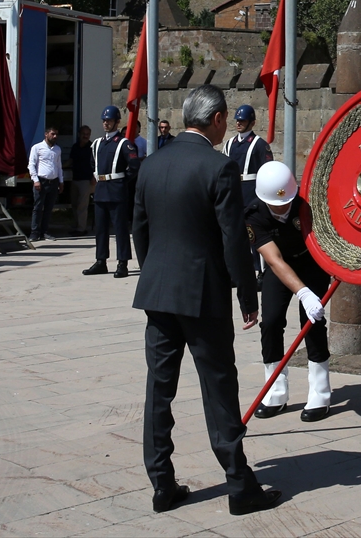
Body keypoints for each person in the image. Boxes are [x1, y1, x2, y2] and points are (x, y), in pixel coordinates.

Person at [132, 84, 282, 516]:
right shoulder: (219, 167)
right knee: (219, 389)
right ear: (217, 119)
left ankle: (161, 484)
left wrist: (158, 273)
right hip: (203, 297)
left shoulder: (151, 163)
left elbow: (139, 230)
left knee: (159, 391)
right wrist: (247, 295)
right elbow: (233, 239)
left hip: (159, 294)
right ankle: (239, 484)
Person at [245, 161, 332, 423]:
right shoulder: (253, 215)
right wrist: (303, 293)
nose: (282, 207)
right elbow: (274, 260)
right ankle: (275, 392)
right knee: (270, 322)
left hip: (312, 262)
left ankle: (320, 394)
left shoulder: (306, 204)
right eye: (276, 204)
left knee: (312, 322)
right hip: (281, 265)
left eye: (286, 202)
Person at [84, 105, 138, 278]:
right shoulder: (98, 143)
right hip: (101, 190)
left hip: (116, 190)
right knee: (100, 228)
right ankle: (101, 261)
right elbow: (93, 164)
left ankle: (122, 263)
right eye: (104, 121)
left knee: (120, 228)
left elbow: (134, 166)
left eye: (109, 121)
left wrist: (121, 180)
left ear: (117, 122)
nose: (106, 124)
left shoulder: (123, 143)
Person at [221, 105, 272, 212]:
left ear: (252, 123)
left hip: (251, 193)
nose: (238, 123)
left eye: (242, 120)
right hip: (232, 190)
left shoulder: (260, 145)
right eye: (237, 120)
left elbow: (268, 171)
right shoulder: (229, 143)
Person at [28, 126, 64, 242]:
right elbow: (31, 165)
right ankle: (34, 232)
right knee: (38, 207)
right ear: (46, 134)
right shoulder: (37, 148)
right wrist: (35, 180)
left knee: (49, 208)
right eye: (53, 134)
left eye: (56, 134)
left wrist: (61, 181)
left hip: (53, 181)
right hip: (41, 181)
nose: (55, 136)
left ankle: (45, 232)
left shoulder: (57, 149)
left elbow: (59, 166)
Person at [69, 125, 95, 234]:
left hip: (87, 180)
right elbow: (71, 160)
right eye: (84, 134)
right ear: (79, 134)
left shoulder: (92, 147)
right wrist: (58, 167)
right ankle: (76, 226)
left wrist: (94, 177)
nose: (86, 136)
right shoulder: (75, 147)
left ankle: (81, 229)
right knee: (74, 204)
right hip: (75, 179)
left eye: (87, 134)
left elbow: (97, 164)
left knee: (82, 206)